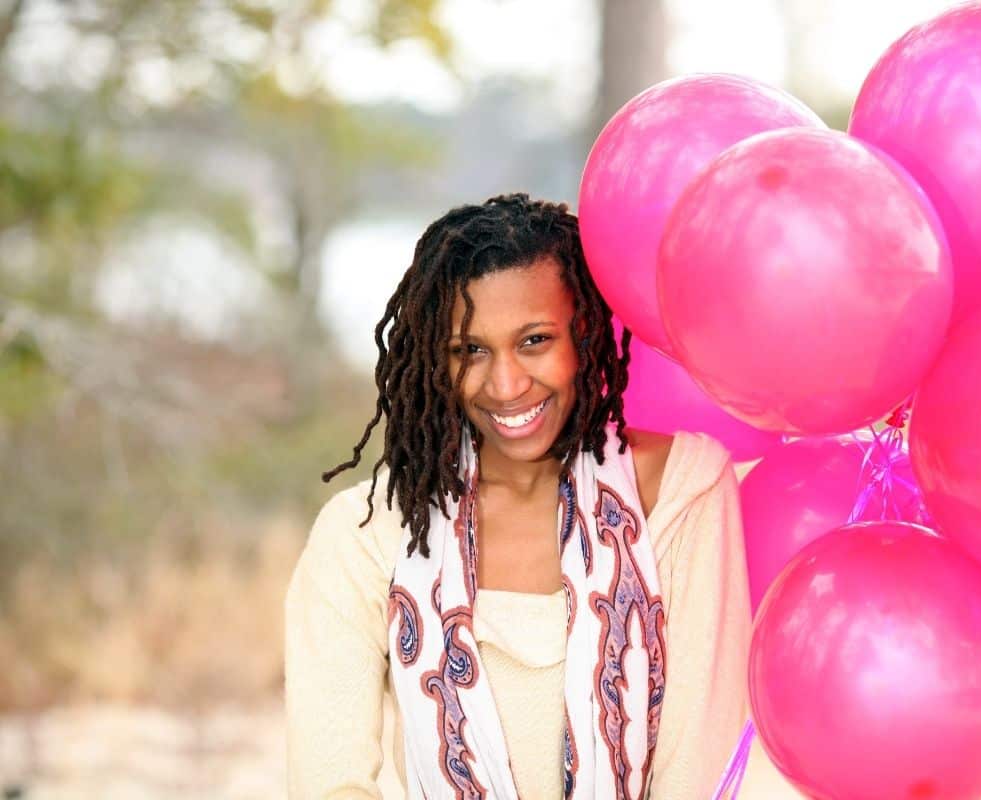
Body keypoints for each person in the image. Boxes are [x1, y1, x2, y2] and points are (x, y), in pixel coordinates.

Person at [284, 193, 751, 799]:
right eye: (470, 350)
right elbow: (331, 784)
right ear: (435, 361)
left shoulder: (682, 492)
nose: (505, 384)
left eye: (534, 341)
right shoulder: (363, 535)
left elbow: (697, 777)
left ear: (584, 332)